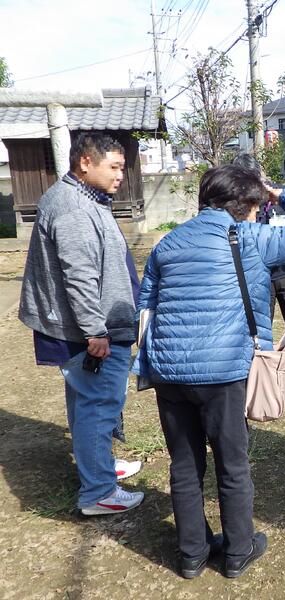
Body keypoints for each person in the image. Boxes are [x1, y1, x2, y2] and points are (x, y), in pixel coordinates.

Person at [134, 165, 285, 579]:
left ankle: (192, 555)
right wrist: (282, 193)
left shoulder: (168, 243)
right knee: (232, 464)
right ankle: (238, 551)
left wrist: (150, 364)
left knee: (184, 464)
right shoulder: (249, 236)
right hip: (223, 372)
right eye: (255, 206)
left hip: (170, 372)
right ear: (247, 204)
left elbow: (145, 307)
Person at [18, 132, 143, 515]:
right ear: (85, 162)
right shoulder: (73, 206)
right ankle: (98, 492)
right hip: (88, 330)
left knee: (86, 401)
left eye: (122, 167)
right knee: (99, 404)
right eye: (114, 167)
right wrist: (95, 331)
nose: (120, 175)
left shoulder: (85, 196)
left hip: (89, 326)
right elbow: (79, 275)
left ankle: (98, 468)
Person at [231, 153, 285, 393]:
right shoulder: (236, 202)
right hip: (258, 273)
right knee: (258, 324)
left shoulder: (280, 194)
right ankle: (260, 373)